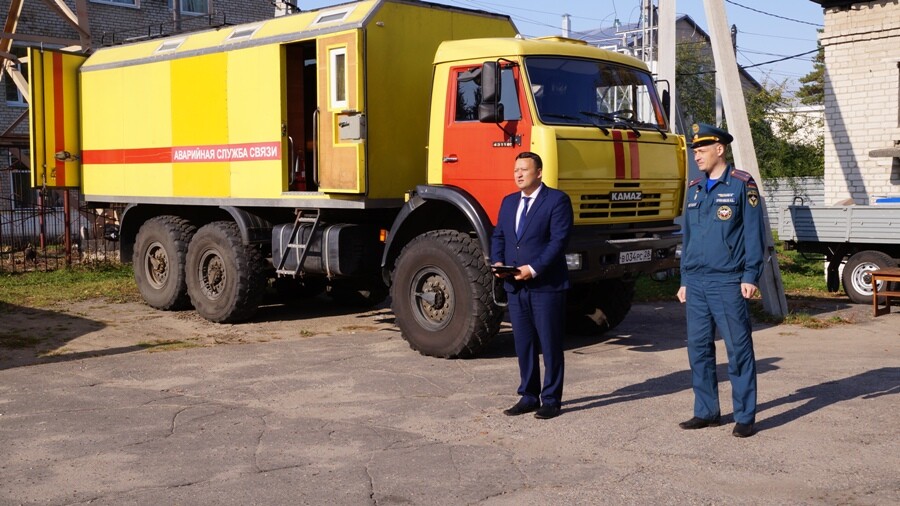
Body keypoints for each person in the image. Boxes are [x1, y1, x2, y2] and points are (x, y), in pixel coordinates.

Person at [676, 123, 767, 438]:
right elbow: (688, 239)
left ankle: (745, 416)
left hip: (728, 280)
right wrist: (684, 278)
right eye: (695, 151)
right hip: (697, 282)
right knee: (698, 349)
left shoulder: (742, 184)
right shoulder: (695, 188)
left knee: (738, 349)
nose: (697, 156)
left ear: (720, 149)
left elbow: (754, 234)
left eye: (702, 150)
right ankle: (706, 411)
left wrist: (750, 275)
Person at [491, 151, 574, 420]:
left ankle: (551, 399)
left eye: (524, 170)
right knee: (524, 343)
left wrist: (534, 268)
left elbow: (558, 242)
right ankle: (528, 395)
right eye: (516, 170)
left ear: (538, 172)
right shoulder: (509, 202)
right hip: (515, 286)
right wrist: (498, 261)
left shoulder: (557, 200)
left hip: (545, 286)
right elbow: (499, 235)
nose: (518, 174)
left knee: (549, 344)